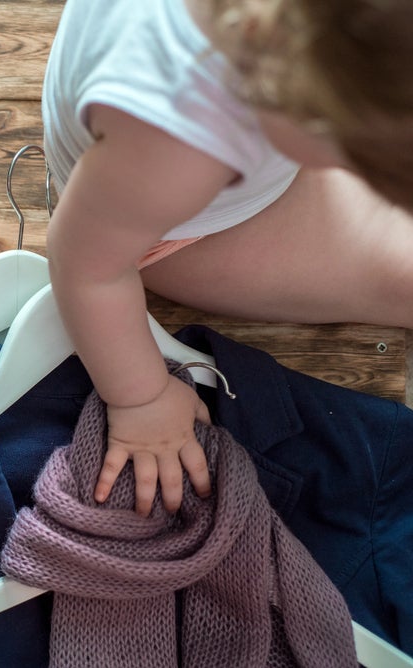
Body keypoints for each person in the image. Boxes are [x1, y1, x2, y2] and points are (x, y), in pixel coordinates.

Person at [43, 0, 413, 517]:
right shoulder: (178, 143)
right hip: (173, 236)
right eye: (352, 156)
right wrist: (141, 398)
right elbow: (85, 267)